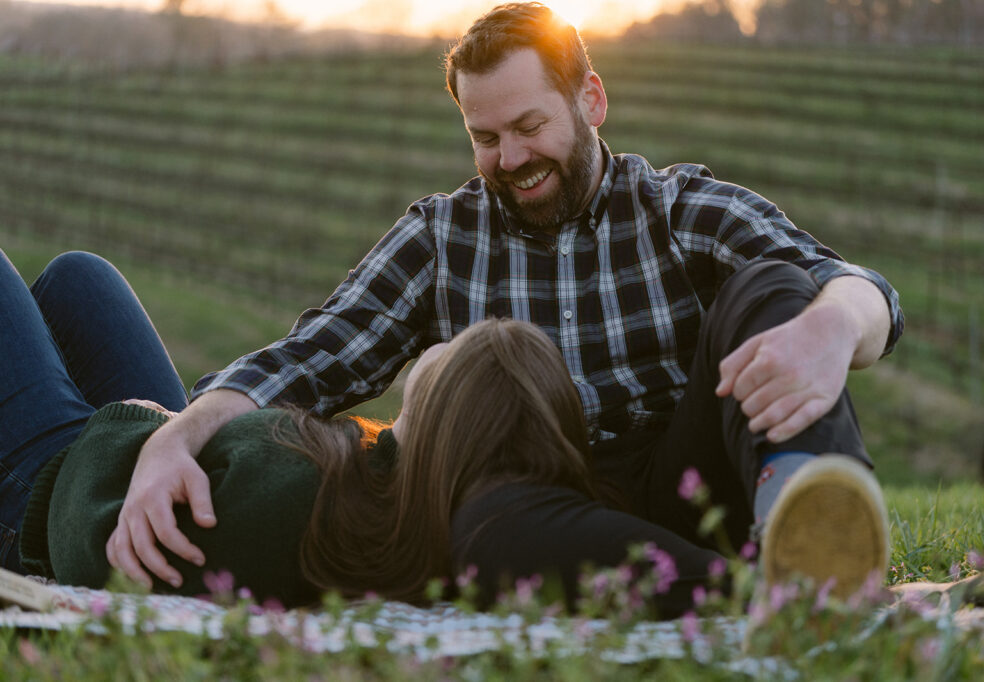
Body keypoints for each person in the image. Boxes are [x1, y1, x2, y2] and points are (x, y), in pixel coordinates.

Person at [108, 2, 906, 599]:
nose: (512, 157)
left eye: (529, 126)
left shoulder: (673, 206)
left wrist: (833, 326)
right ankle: (762, 596)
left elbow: (857, 288)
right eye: (485, 138)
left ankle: (816, 525)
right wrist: (176, 437)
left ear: (590, 100)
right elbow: (315, 356)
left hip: (693, 479)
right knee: (479, 531)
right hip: (544, 512)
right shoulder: (443, 236)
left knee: (776, 287)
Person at [2, 249, 720, 616]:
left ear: (455, 416)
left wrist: (140, 427)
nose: (459, 334)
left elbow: (98, 554)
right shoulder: (377, 478)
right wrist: (173, 435)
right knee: (79, 278)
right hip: (143, 451)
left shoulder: (299, 506)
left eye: (470, 349)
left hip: (58, 485)